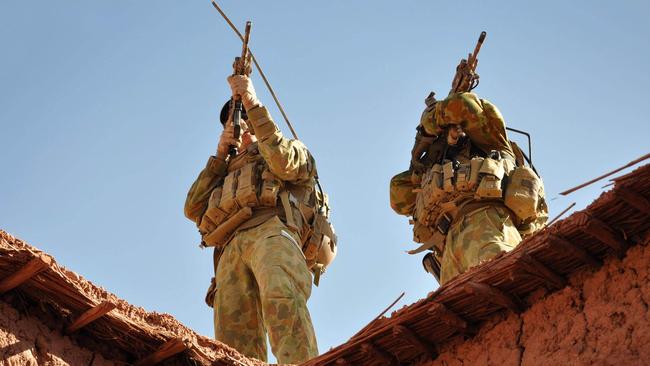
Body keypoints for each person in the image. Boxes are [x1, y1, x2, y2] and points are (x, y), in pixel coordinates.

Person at [184, 75, 336, 363]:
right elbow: (193, 208)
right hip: (229, 247)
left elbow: (285, 161)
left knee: (281, 299)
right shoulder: (224, 170)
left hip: (272, 230)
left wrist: (252, 103)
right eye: (233, 122)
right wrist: (219, 157)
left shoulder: (287, 148)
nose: (239, 127)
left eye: (243, 121)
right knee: (232, 337)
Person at [390, 92, 548, 284]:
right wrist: (424, 158)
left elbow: (462, 104)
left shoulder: (491, 142)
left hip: (487, 222)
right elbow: (398, 197)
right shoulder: (438, 162)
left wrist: (428, 124)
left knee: (504, 281)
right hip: (449, 245)